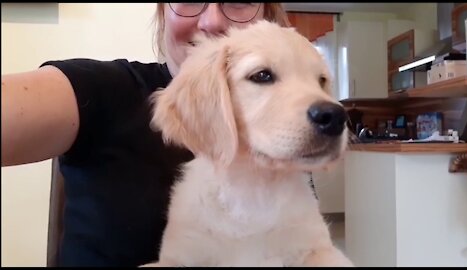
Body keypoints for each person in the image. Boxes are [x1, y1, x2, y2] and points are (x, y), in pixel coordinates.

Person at [1, 3, 290, 267]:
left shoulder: (287, 126)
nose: (212, 21)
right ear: (164, 11)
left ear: (265, 15)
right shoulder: (105, 90)